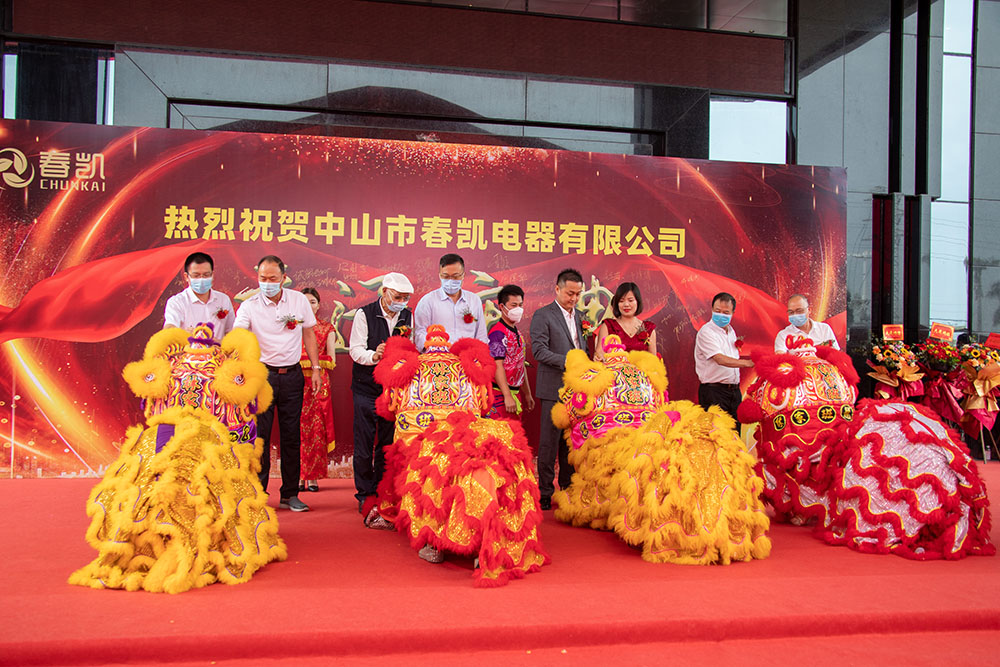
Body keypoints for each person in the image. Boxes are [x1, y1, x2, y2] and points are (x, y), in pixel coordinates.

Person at [233, 255, 321, 512]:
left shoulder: (298, 300)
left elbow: (308, 333)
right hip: (261, 377)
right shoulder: (249, 306)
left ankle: (290, 494)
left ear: (283, 278)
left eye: (273, 278)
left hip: (293, 375)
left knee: (291, 436)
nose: (268, 283)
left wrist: (315, 368)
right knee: (259, 437)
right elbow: (239, 335)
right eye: (263, 278)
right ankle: (258, 494)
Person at [350, 272, 414, 522]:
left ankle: (381, 490)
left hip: (394, 390)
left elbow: (412, 346)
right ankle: (364, 493)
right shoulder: (364, 314)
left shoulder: (407, 315)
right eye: (397, 297)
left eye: (405, 298)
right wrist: (374, 356)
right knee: (364, 443)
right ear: (384, 292)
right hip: (366, 387)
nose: (401, 302)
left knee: (387, 443)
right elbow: (355, 350)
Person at [530, 268, 585, 510]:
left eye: (578, 294)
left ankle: (567, 488)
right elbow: (539, 351)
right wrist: (570, 360)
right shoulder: (543, 315)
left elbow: (582, 347)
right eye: (570, 293)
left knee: (570, 442)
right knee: (549, 443)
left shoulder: (580, 316)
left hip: (576, 391)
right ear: (557, 289)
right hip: (552, 388)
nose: (574, 298)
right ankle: (544, 491)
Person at [298, 287, 336, 493]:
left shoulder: (327, 328)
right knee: (296, 429)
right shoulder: (292, 327)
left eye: (312, 302)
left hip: (318, 382)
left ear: (318, 305)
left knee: (316, 429)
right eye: (304, 302)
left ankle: (313, 477)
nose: (308, 305)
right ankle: (297, 475)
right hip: (296, 382)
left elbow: (332, 358)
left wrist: (311, 363)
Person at [694, 292, 753, 423]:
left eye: (726, 312)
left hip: (734, 392)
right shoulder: (706, 332)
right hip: (714, 392)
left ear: (733, 313)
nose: (721, 315)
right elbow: (719, 359)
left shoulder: (731, 332)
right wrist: (747, 363)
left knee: (735, 431)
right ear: (712, 309)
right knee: (717, 431)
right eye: (717, 311)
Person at [413, 253, 488, 351]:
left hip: (468, 356)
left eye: (455, 276)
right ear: (440, 275)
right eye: (446, 276)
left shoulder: (474, 300)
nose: (450, 280)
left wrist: (479, 354)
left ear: (463, 275)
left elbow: (481, 334)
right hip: (439, 356)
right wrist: (434, 347)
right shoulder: (427, 301)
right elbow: (420, 333)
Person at [487, 284, 535, 421]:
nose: (518, 309)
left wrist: (527, 394)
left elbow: (521, 364)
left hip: (515, 394)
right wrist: (507, 396)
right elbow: (497, 366)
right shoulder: (498, 333)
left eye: (520, 305)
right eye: (513, 305)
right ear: (502, 307)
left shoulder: (518, 333)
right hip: (500, 395)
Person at [163, 251, 235, 342]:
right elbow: (169, 328)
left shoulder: (223, 299)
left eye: (206, 275)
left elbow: (232, 332)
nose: (201, 279)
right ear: (186, 277)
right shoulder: (177, 302)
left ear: (212, 275)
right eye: (196, 275)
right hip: (189, 350)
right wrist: (184, 334)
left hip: (218, 350)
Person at [593, 282, 657, 360]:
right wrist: (599, 358)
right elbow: (600, 354)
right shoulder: (608, 326)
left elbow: (653, 360)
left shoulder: (648, 328)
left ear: (637, 302)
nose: (626, 304)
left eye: (630, 300)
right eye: (621, 301)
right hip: (614, 367)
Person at [774, 293, 841, 353]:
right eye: (791, 312)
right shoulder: (783, 335)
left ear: (809, 310)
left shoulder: (824, 329)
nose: (795, 315)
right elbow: (780, 357)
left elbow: (835, 354)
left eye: (799, 311)